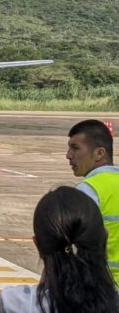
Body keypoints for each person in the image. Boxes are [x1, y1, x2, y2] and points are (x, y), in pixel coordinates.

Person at [0, 186, 119, 312]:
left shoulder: (14, 303)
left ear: (37, 245)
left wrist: (50, 272)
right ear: (105, 238)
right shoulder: (113, 303)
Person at [66, 119, 119, 286]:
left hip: (103, 288)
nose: (68, 155)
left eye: (75, 148)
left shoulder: (88, 189)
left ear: (99, 153)